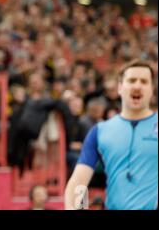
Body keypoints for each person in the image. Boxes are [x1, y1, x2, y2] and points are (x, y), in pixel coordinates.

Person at [65, 60, 158, 210]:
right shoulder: (100, 131)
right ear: (120, 87)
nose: (137, 85)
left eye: (144, 81)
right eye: (132, 80)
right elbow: (78, 183)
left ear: (152, 89)